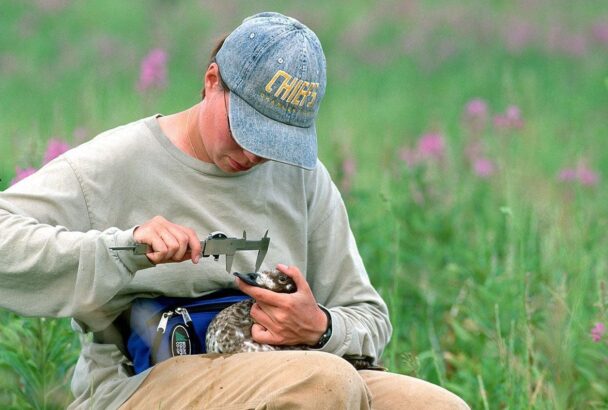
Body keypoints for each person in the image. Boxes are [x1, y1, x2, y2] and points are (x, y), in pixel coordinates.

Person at [0, 12, 469, 409]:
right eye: (246, 128)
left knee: (439, 406)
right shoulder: (115, 164)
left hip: (289, 366)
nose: (254, 153)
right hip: (139, 384)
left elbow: (368, 316)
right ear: (211, 82)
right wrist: (122, 248)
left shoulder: (302, 177)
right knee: (324, 384)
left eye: (275, 140)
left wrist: (320, 327)